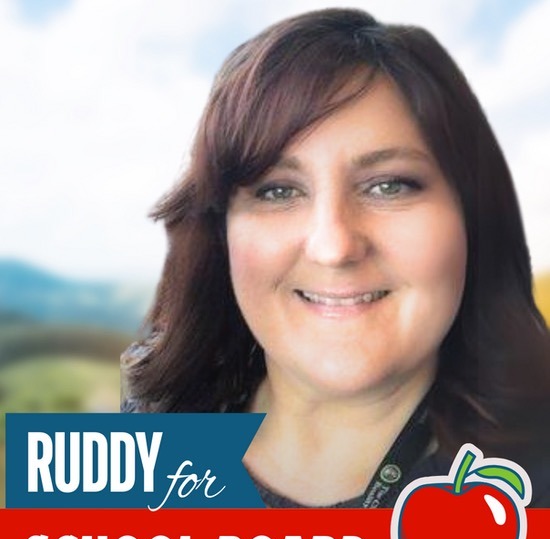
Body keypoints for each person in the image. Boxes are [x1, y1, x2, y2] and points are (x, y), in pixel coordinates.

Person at [121, 7, 550, 508]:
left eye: (389, 185)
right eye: (278, 191)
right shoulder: (144, 452)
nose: (334, 246)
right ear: (220, 231)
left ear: (473, 216)